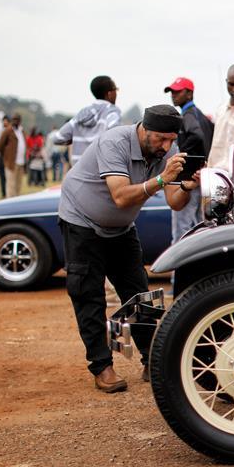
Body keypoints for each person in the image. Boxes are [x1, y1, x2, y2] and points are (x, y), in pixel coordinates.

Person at [58, 105, 200, 393]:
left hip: (122, 229)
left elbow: (174, 202)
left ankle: (152, 360)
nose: (167, 146)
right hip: (82, 223)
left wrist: (186, 186)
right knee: (89, 295)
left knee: (141, 295)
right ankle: (102, 366)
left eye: (172, 140)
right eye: (161, 139)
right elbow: (121, 196)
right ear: (144, 130)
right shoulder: (114, 142)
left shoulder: (167, 153)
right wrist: (161, 179)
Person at [164, 76, 213, 242]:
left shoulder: (188, 115)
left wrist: (182, 156)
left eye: (178, 92)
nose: (174, 95)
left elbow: (197, 135)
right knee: (198, 227)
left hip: (188, 179)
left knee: (182, 230)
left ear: (189, 94)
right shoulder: (201, 115)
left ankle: (179, 267)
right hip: (203, 177)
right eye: (172, 92)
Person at [54, 75, 121, 167]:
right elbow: (116, 133)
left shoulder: (82, 114)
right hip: (99, 170)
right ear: (110, 94)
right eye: (116, 89)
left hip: (78, 170)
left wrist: (74, 139)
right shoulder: (111, 111)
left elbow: (57, 138)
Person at [0, 114, 26, 198]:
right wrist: (6, 156)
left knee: (18, 185)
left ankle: (17, 203)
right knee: (11, 185)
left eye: (17, 119)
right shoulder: (8, 131)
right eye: (14, 119)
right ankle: (10, 203)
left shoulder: (22, 131)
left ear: (20, 121)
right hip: (11, 163)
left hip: (21, 162)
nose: (16, 121)